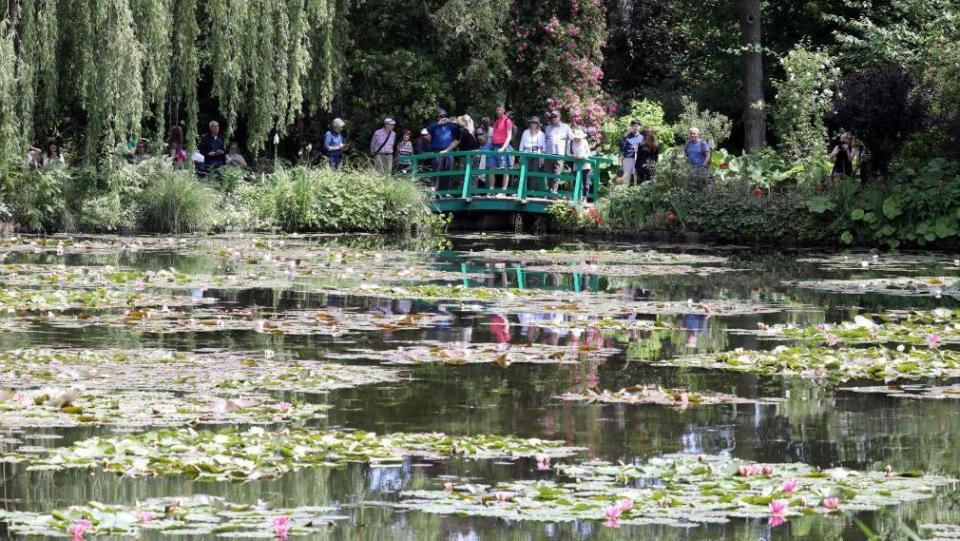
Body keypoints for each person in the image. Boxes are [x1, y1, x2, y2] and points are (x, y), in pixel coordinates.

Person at [425, 112, 461, 183]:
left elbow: (460, 127)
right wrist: (437, 124)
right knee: (437, 171)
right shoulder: (434, 126)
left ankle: (446, 191)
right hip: (437, 151)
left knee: (448, 171)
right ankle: (436, 189)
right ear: (438, 118)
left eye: (445, 116)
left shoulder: (451, 125)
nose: (443, 118)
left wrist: (450, 121)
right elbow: (424, 131)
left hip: (449, 151)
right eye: (441, 116)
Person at [543, 111, 573, 192]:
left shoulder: (566, 127)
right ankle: (550, 190)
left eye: (555, 117)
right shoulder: (548, 127)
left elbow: (571, 139)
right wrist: (543, 153)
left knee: (557, 173)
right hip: (548, 154)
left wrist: (568, 152)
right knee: (548, 173)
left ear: (559, 117)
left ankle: (554, 191)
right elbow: (545, 141)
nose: (553, 119)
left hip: (560, 154)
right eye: (552, 117)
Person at [489, 104, 514, 190]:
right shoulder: (496, 120)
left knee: (505, 169)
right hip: (494, 147)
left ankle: (503, 191)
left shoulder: (507, 120)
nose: (498, 111)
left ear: (504, 110)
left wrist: (503, 148)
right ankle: (491, 190)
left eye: (500, 110)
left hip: (502, 146)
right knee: (491, 168)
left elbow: (509, 136)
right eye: (497, 110)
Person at [519, 116, 545, 189]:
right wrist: (520, 155)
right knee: (524, 171)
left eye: (535, 123)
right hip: (526, 153)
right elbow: (521, 144)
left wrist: (543, 158)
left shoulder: (541, 134)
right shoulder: (525, 132)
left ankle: (532, 190)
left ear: (538, 124)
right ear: (530, 123)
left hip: (537, 154)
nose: (534, 124)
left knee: (535, 172)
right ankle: (522, 189)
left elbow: (544, 148)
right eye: (532, 122)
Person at [619, 120, 644, 186]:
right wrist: (626, 135)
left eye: (637, 126)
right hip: (628, 159)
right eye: (633, 126)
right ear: (631, 127)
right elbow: (621, 147)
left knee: (637, 179)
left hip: (638, 160)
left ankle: (636, 193)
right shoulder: (627, 136)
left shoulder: (642, 137)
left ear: (640, 127)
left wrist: (639, 150)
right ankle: (623, 194)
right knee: (626, 180)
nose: (635, 128)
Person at [570, 129, 593, 197]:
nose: (577, 138)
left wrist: (583, 156)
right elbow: (569, 153)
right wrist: (573, 156)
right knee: (575, 181)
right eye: (576, 137)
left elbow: (589, 153)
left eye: (579, 137)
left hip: (585, 164)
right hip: (576, 164)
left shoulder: (584, 141)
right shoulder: (572, 142)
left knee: (585, 182)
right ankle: (576, 197)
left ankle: (584, 198)